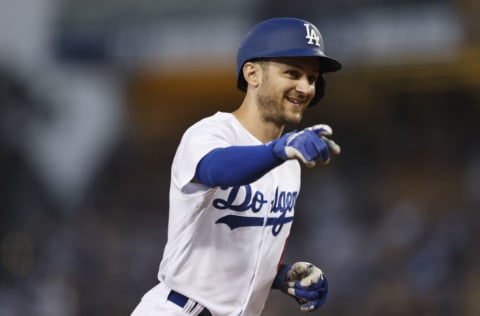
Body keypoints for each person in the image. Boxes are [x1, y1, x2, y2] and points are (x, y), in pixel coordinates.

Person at [131, 17, 342, 316]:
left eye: (312, 78)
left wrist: (281, 276)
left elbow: (241, 250)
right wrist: (279, 150)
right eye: (292, 73)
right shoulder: (210, 133)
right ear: (252, 73)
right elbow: (217, 169)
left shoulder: (289, 162)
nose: (305, 87)